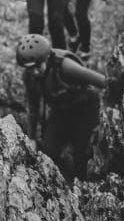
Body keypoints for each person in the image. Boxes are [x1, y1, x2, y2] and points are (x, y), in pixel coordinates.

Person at [17, 34, 108, 181]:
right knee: (47, 152)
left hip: (84, 109)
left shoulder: (65, 66)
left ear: (46, 59)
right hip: (59, 111)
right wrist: (32, 137)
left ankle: (82, 185)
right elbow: (33, 108)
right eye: (30, 69)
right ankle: (59, 180)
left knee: (81, 153)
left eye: (38, 67)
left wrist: (121, 86)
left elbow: (100, 81)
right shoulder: (30, 77)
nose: (34, 72)